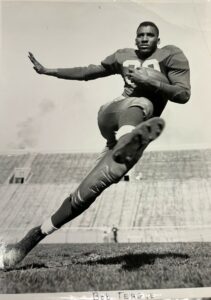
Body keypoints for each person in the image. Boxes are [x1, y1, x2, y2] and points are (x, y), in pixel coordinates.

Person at [0, 21, 190, 269]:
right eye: (140, 35)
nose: (144, 38)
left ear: (158, 39)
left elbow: (183, 94)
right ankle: (124, 141)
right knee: (143, 103)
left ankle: (26, 243)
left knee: (85, 195)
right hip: (113, 115)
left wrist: (152, 81)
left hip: (134, 132)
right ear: (135, 39)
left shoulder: (172, 55)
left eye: (150, 35)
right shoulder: (123, 56)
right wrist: (49, 71)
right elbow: (88, 72)